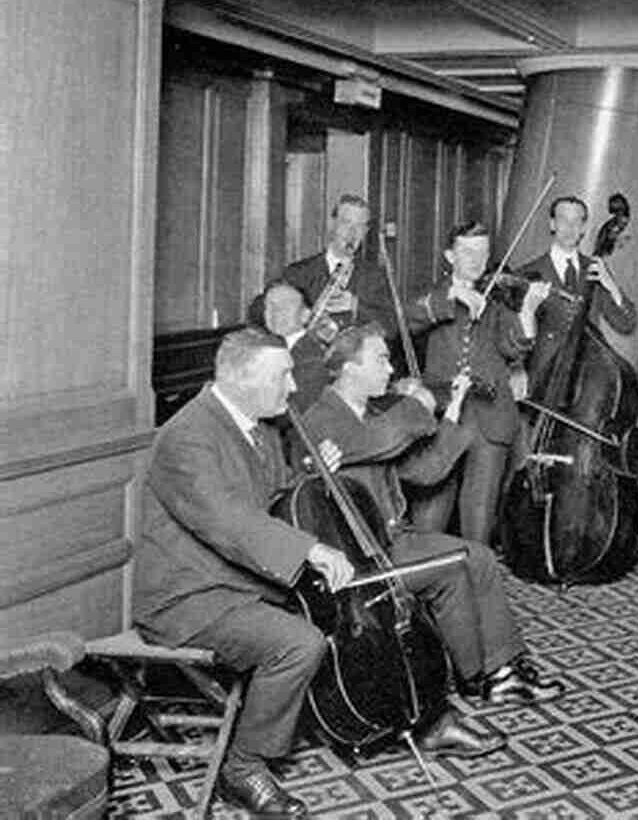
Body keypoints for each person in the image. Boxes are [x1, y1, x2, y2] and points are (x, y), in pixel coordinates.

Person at [131, 330, 489, 819]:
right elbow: (228, 519)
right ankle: (244, 765)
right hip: (194, 598)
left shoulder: (257, 426)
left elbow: (274, 501)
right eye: (283, 374)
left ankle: (419, 713)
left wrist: (309, 478)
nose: (294, 385)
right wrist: (312, 549)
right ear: (241, 378)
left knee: (366, 612)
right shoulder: (187, 436)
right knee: (299, 642)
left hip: (248, 581)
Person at [299, 324, 564, 708]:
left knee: (475, 560)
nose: (391, 370)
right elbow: (383, 439)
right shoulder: (322, 420)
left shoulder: (372, 413)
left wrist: (452, 409)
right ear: (349, 369)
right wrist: (419, 402)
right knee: (463, 563)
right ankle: (486, 675)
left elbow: (427, 470)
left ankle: (491, 674)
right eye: (381, 359)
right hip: (363, 554)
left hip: (392, 539)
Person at [405, 221, 548, 544]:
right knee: (428, 517)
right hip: (443, 415)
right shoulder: (433, 294)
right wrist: (452, 294)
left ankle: (476, 586)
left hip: (491, 415)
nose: (476, 259)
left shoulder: (497, 300)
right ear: (449, 255)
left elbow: (515, 344)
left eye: (482, 252)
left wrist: (528, 309)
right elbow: (404, 318)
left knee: (479, 518)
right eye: (467, 251)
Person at [518, 195, 637, 401]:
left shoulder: (595, 271)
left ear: (583, 228)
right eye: (563, 220)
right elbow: (514, 335)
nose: (570, 227)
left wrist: (612, 287)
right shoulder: (528, 273)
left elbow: (626, 323)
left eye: (577, 221)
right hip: (541, 382)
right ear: (552, 224)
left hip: (585, 385)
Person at [283, 194, 395, 338]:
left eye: (359, 226)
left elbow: (391, 327)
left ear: (366, 231)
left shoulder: (375, 277)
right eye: (346, 223)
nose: (352, 233)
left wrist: (355, 306)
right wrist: (303, 315)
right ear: (332, 224)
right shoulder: (298, 273)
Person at [259, 280, 329, 412]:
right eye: (270, 305)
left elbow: (296, 413)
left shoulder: (313, 358)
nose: (276, 312)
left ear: (305, 315)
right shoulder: (261, 348)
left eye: (285, 306)